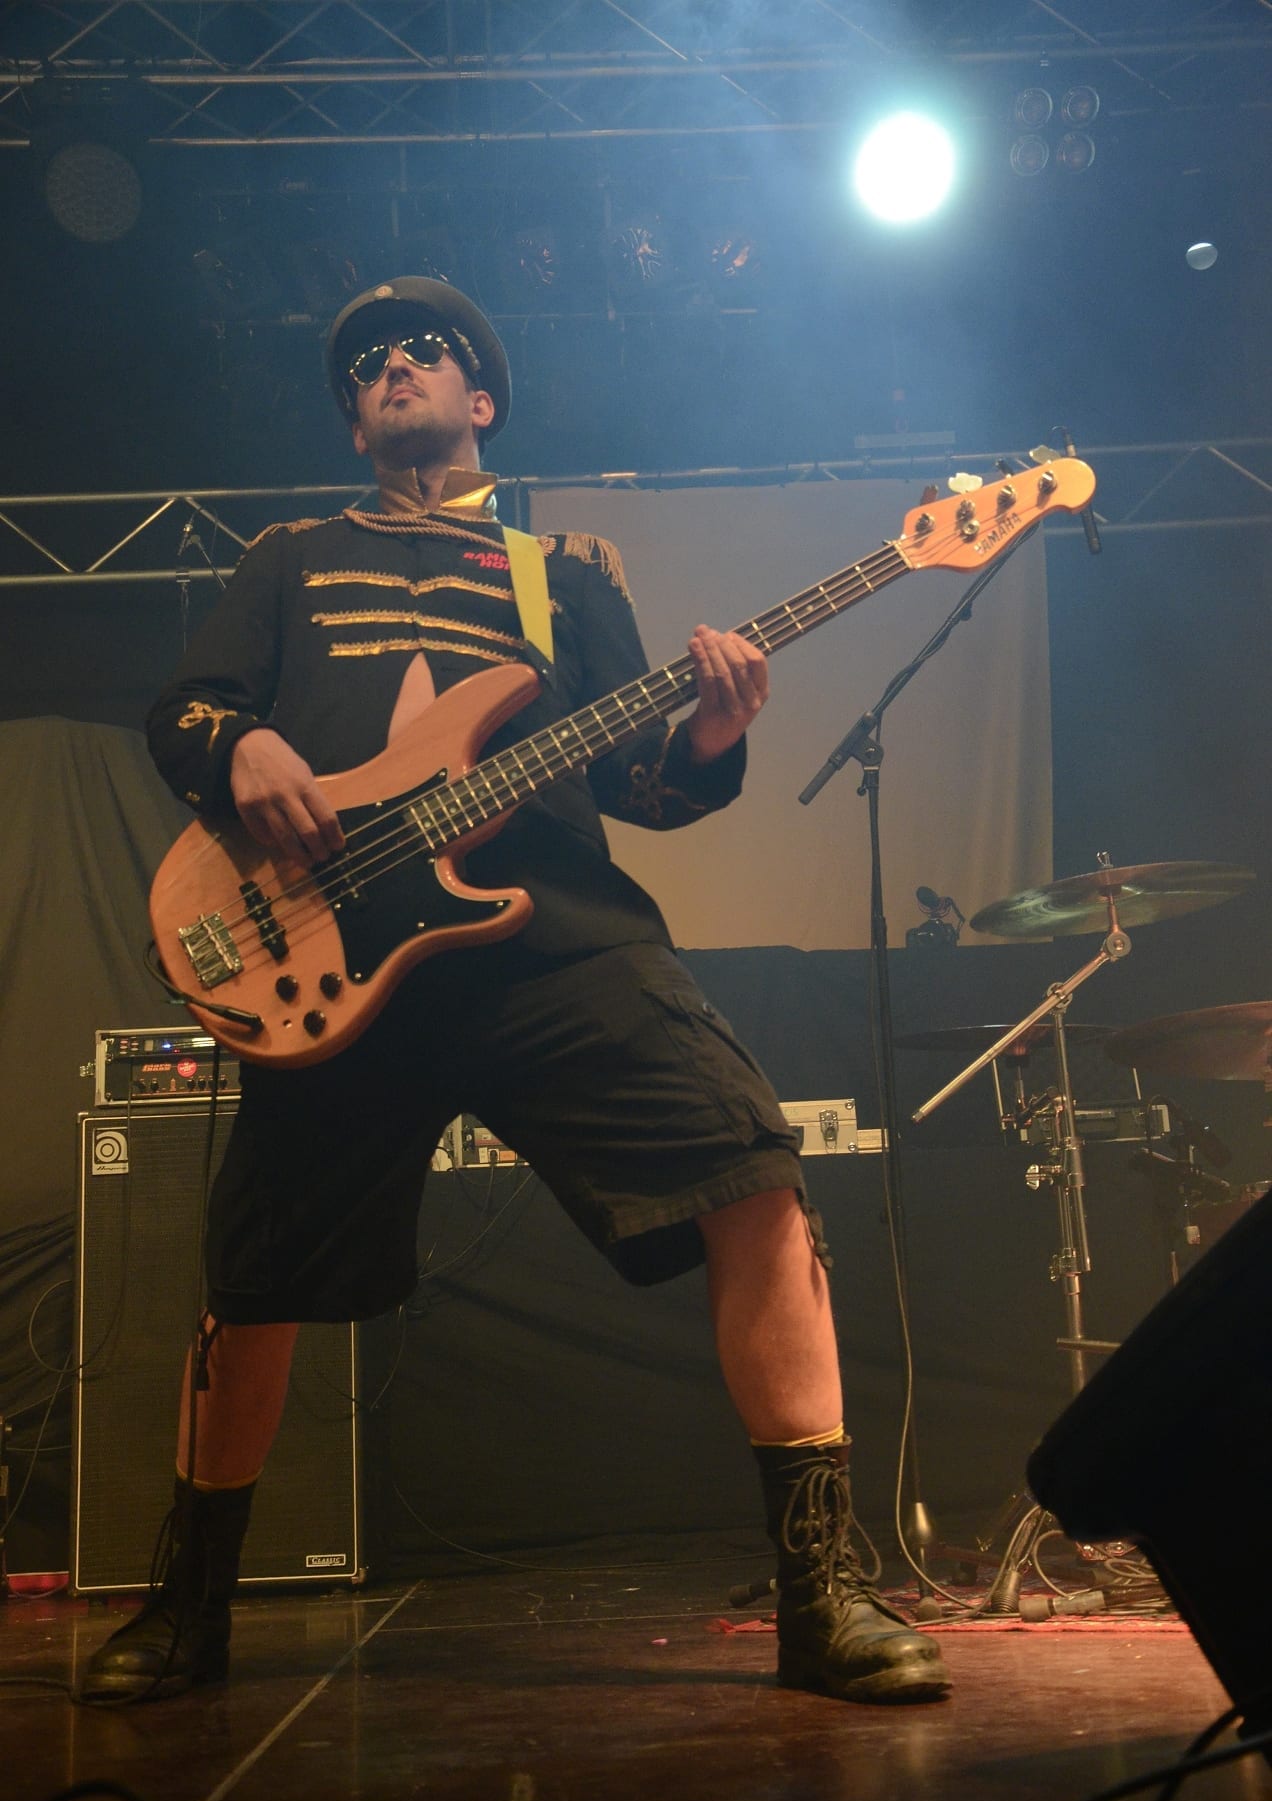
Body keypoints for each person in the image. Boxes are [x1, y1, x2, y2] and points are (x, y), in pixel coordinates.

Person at [81, 277, 949, 1708]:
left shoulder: (567, 573)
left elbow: (640, 784)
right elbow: (183, 709)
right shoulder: (290, 558)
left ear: (479, 398)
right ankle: (188, 1608)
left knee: (754, 1171)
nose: (392, 366)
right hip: (329, 953)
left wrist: (713, 735)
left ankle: (821, 1597)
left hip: (552, 940)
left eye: (423, 350)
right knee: (252, 1280)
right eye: (366, 361)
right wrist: (236, 745)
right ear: (354, 420)